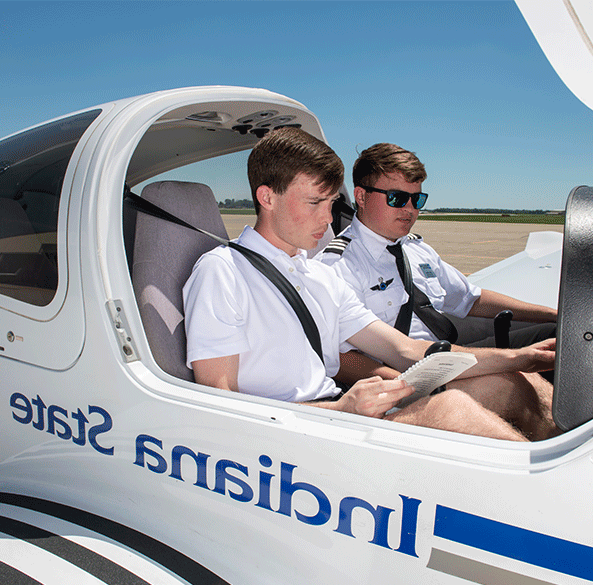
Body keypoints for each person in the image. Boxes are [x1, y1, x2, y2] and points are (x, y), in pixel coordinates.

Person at [183, 128, 557, 442]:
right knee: (452, 409)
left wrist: (519, 357)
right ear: (267, 197)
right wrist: (340, 409)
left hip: (341, 413)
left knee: (512, 381)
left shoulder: (319, 276)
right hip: (295, 434)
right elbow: (220, 401)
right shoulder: (223, 272)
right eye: (314, 202)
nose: (328, 218)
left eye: (331, 202)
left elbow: (406, 351)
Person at [316, 143, 557, 353]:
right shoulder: (337, 265)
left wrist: (552, 313)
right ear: (361, 196)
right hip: (406, 374)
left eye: (417, 199)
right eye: (397, 198)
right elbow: (340, 355)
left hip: (444, 357)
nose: (410, 209)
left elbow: (470, 300)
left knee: (555, 334)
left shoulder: (416, 250)